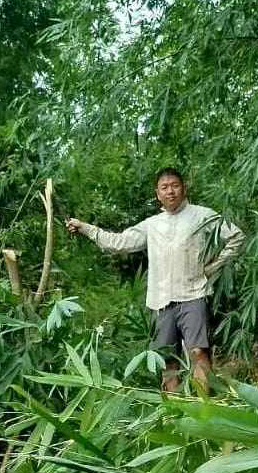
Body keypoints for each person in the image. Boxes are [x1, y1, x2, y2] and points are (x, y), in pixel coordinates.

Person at [66, 167, 246, 392]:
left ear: (184, 188)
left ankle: (204, 410)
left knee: (199, 352)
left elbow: (236, 236)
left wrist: (213, 267)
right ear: (158, 193)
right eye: (165, 187)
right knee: (167, 362)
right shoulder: (152, 225)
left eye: (175, 186)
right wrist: (85, 228)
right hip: (161, 302)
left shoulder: (203, 215)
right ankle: (175, 416)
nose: (170, 191)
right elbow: (119, 243)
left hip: (193, 295)